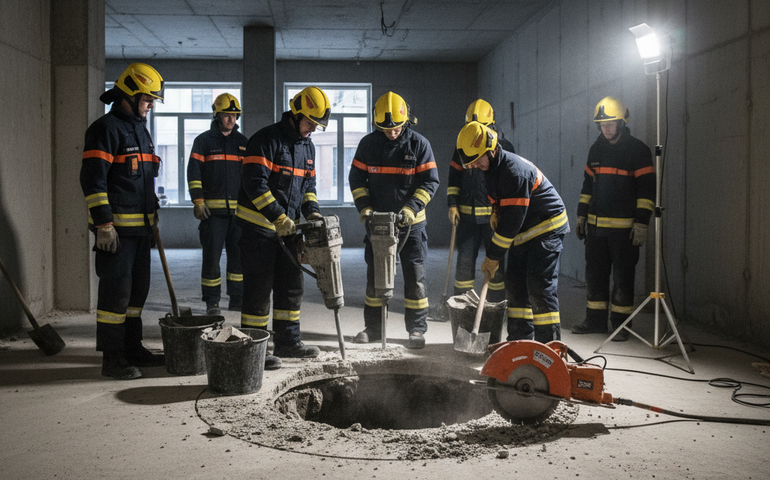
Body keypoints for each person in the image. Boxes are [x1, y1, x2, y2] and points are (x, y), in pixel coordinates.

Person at [80, 63, 166, 379]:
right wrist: (103, 223)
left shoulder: (140, 130)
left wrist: (153, 208)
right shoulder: (105, 129)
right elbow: (93, 180)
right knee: (115, 295)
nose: (151, 105)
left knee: (136, 293)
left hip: (141, 230)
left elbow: (144, 179)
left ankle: (133, 347)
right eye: (148, 99)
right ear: (128, 96)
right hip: (115, 233)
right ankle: (112, 357)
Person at [235, 86, 331, 362]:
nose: (313, 129)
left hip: (288, 232)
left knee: (291, 287)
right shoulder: (265, 140)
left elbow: (308, 187)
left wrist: (312, 212)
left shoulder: (307, 146)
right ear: (296, 114)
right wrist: (277, 215)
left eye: (317, 125)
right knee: (258, 290)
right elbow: (254, 184)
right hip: (258, 232)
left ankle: (288, 342)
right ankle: (255, 349)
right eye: (311, 122)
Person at [456, 121, 569, 344]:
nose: (476, 165)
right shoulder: (490, 168)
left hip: (546, 228)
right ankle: (519, 341)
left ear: (491, 149)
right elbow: (500, 203)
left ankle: (549, 348)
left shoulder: (514, 172)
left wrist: (493, 256)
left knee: (539, 287)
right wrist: (496, 210)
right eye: (472, 162)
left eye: (478, 159)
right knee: (515, 285)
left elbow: (510, 224)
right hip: (524, 232)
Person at [349, 91, 440, 349]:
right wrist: (364, 207)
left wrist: (411, 209)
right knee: (375, 277)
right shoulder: (368, 145)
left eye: (397, 128)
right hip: (378, 224)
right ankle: (374, 329)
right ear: (377, 125)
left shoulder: (420, 145)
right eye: (386, 129)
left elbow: (431, 181)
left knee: (415, 277)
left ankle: (416, 330)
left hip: (412, 225)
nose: (392, 133)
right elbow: (357, 179)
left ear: (406, 121)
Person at [570, 96, 655, 342]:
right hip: (596, 232)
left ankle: (621, 326)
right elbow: (588, 185)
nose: (606, 128)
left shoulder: (638, 151)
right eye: (603, 124)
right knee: (595, 276)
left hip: (624, 231)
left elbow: (647, 190)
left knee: (622, 278)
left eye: (611, 123)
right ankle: (595, 321)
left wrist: (641, 222)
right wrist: (581, 215)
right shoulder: (596, 149)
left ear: (621, 123)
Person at [447, 99, 515, 304]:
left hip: (493, 219)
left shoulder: (503, 147)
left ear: (491, 126)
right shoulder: (462, 145)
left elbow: (509, 183)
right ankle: (461, 305)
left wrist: (503, 212)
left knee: (495, 264)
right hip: (467, 218)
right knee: (465, 264)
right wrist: (452, 204)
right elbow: (454, 178)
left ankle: (495, 305)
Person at [187, 93, 247, 316]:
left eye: (234, 115)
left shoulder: (243, 143)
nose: (230, 119)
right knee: (211, 258)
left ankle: (237, 298)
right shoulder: (203, 141)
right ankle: (212, 301)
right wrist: (198, 200)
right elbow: (194, 173)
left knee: (238, 258)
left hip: (239, 214)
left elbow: (251, 178)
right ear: (217, 115)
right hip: (212, 213)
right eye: (226, 115)